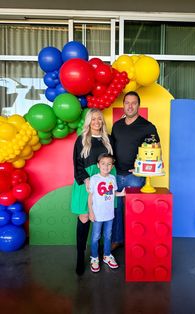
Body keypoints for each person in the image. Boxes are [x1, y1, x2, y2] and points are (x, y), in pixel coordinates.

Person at [111, 91, 161, 250]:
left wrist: (141, 169)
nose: (130, 106)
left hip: (136, 176)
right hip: (116, 174)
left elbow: (156, 152)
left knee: (135, 211)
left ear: (138, 106)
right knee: (116, 209)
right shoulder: (117, 125)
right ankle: (117, 239)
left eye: (133, 103)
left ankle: (135, 241)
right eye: (127, 103)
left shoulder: (147, 126)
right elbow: (112, 148)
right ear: (123, 105)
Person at [71, 108, 114, 276]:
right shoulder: (81, 139)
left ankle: (103, 255)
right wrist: (85, 179)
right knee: (84, 218)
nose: (97, 122)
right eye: (93, 119)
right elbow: (77, 163)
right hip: (86, 183)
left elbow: (112, 162)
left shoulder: (108, 139)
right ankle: (80, 256)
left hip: (105, 185)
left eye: (99, 119)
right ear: (89, 121)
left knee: (102, 217)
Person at [88, 153, 125, 273]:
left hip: (109, 214)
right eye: (103, 164)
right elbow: (90, 197)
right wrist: (91, 212)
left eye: (109, 164)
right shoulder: (94, 179)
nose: (106, 166)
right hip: (98, 214)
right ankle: (94, 258)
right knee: (96, 237)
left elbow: (112, 194)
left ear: (112, 166)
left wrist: (122, 194)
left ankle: (107, 255)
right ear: (98, 165)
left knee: (108, 235)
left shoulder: (112, 178)